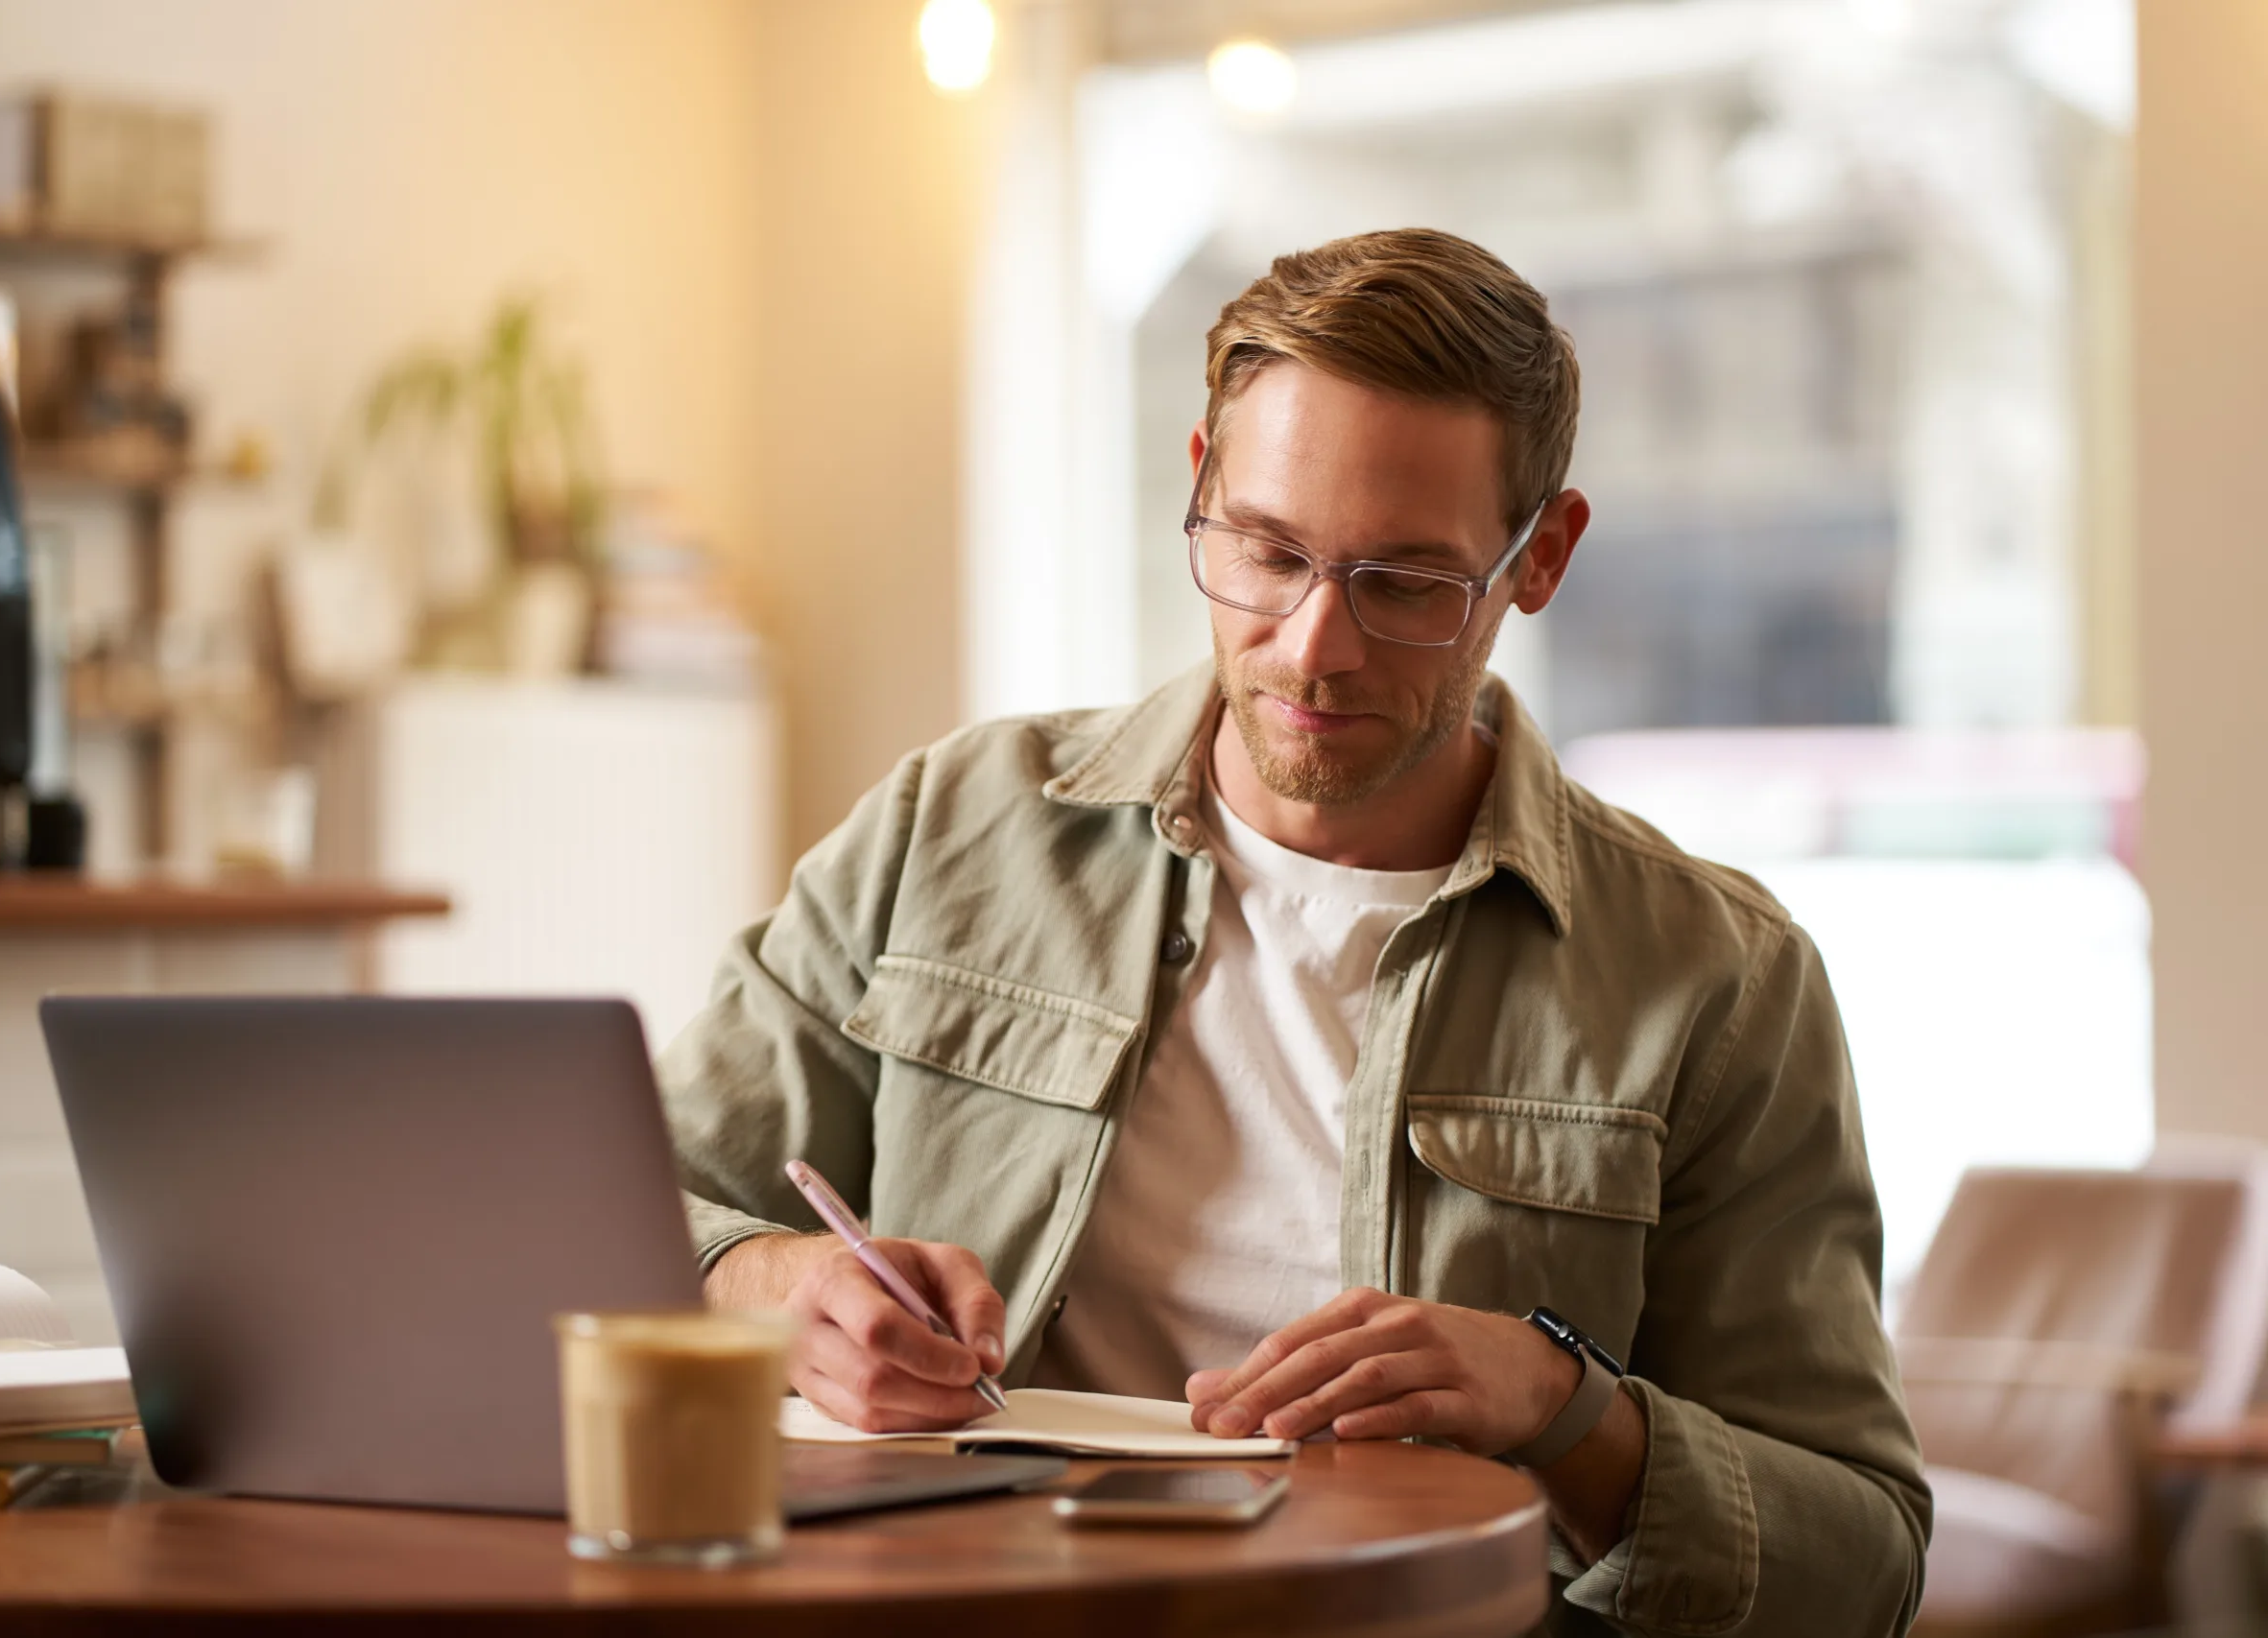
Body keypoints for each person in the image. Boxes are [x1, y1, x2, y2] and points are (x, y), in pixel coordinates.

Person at [661, 227, 1928, 1634]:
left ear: (1542, 556)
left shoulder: (1718, 981)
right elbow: (614, 1214)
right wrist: (772, 1284)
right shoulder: (948, 830)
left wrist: (1564, 1406)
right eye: (1266, 552)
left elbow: (1859, 1563)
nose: (1315, 644)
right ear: (1200, 476)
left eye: (1403, 583)